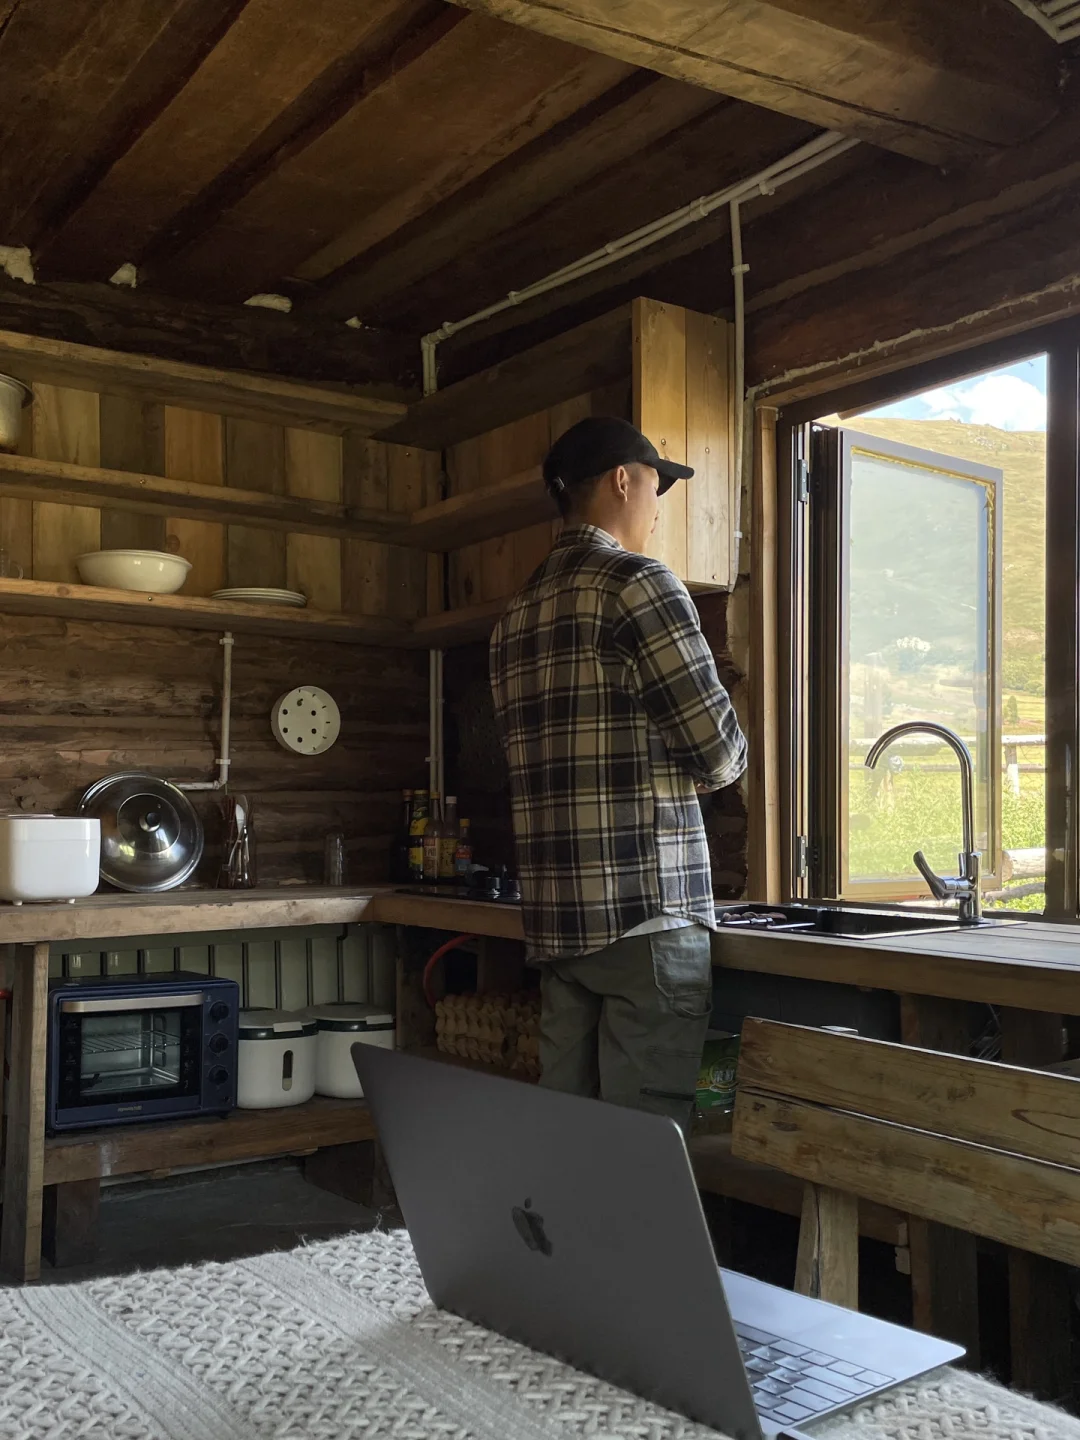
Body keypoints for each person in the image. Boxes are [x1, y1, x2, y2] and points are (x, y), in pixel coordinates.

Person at [489, 416, 747, 1129]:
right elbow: (719, 754)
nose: (659, 509)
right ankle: (643, 1248)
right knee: (646, 1144)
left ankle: (563, 1248)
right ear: (622, 480)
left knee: (568, 1141)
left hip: (560, 916)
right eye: (657, 487)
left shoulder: (516, 615)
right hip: (645, 909)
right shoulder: (638, 582)